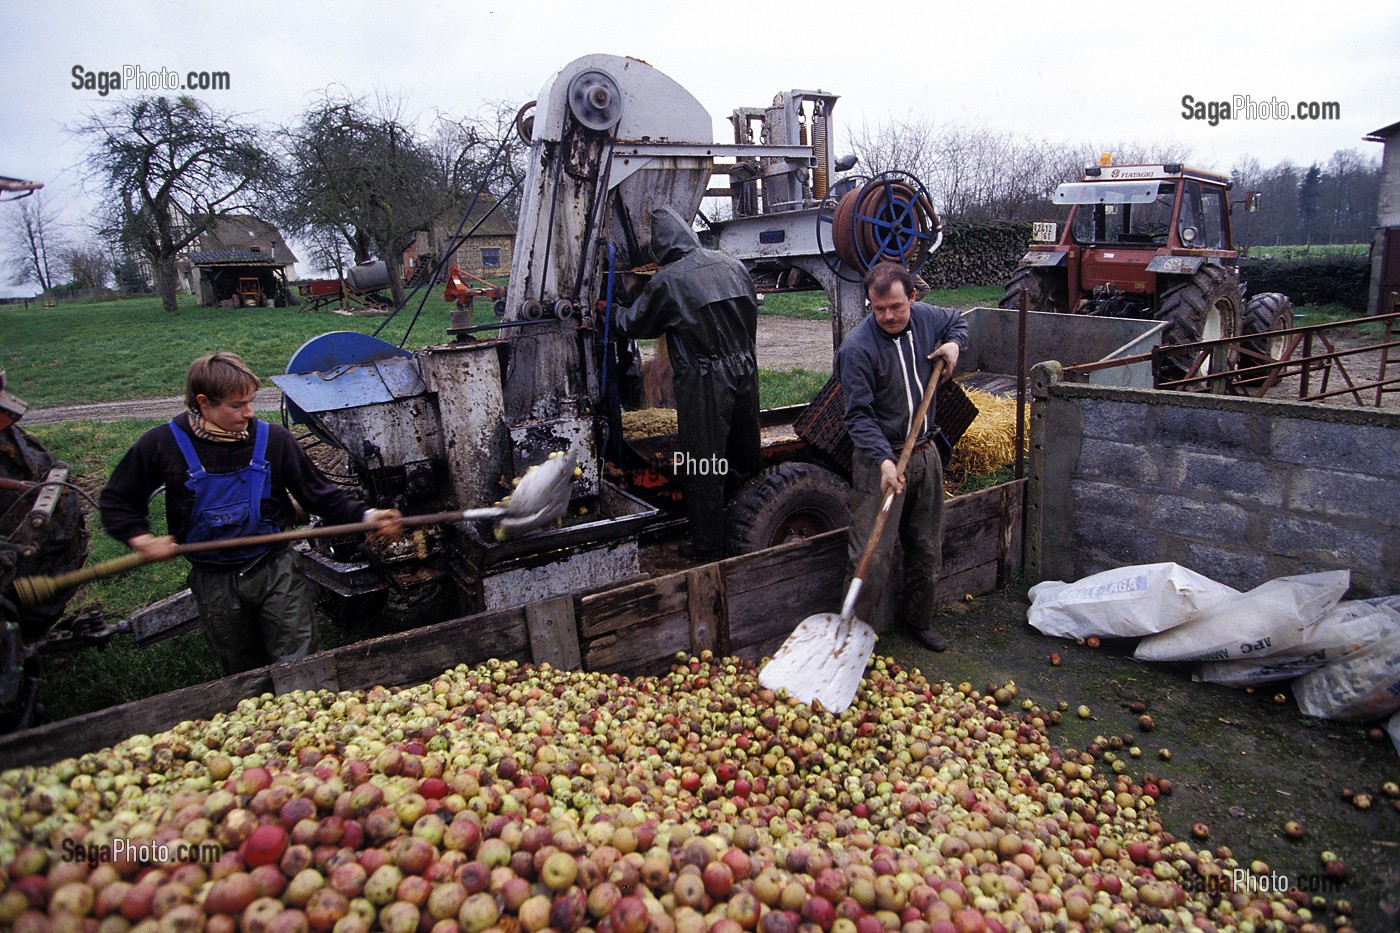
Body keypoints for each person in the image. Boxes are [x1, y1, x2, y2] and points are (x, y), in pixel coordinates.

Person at [100, 352, 401, 675]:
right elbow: (118, 498)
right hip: (214, 579)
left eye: (251, 402)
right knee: (244, 671)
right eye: (236, 405)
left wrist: (366, 516)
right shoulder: (163, 444)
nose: (249, 413)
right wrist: (142, 539)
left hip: (274, 570)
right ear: (203, 403)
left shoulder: (274, 441)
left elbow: (319, 495)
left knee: (302, 663)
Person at [835, 262, 967, 651]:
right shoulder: (856, 349)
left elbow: (956, 320)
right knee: (870, 557)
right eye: (878, 309)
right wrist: (884, 461)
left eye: (896, 306)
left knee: (926, 548)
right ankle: (852, 640)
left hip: (925, 454)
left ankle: (920, 622)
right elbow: (857, 415)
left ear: (912, 297)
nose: (888, 316)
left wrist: (955, 344)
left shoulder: (928, 319)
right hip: (881, 461)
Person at [616, 205, 761, 559]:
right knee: (743, 454)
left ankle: (709, 546)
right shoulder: (731, 263)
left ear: (661, 247)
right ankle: (751, 526)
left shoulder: (670, 279)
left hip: (705, 377)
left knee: (704, 463)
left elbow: (636, 325)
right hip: (745, 366)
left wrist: (614, 310)